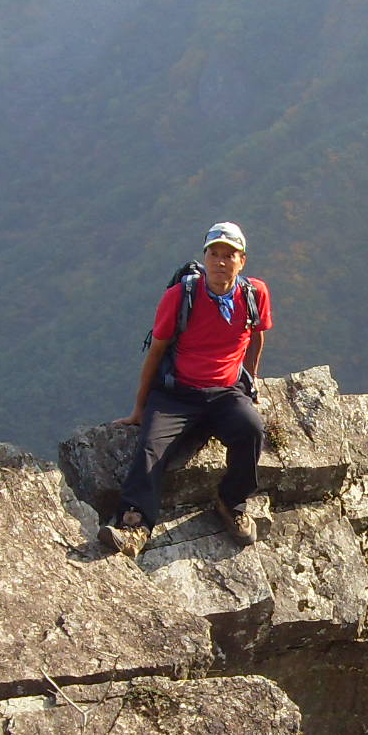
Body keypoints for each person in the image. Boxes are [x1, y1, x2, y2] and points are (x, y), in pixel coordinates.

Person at [101, 221, 272, 556]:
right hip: (177, 394)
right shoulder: (180, 297)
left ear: (242, 261)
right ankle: (134, 526)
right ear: (205, 257)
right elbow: (157, 352)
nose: (221, 261)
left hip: (225, 393)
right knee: (151, 448)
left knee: (252, 430)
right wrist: (140, 408)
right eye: (214, 254)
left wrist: (251, 381)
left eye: (229, 255)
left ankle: (231, 503)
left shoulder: (254, 295)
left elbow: (256, 337)